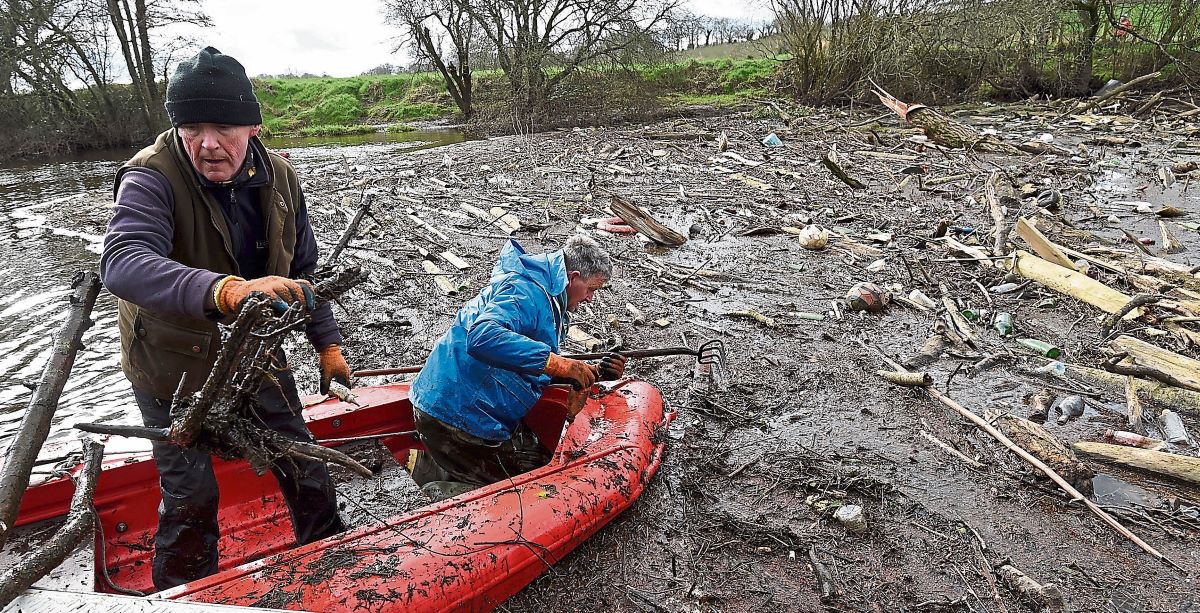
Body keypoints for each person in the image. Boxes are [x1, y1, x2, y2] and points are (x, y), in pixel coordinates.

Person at [100, 47, 348, 590]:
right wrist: (225, 290)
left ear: (253, 126)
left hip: (255, 356)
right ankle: (183, 595)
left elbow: (304, 270)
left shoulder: (281, 176)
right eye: (193, 127)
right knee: (191, 493)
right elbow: (122, 262)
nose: (208, 144)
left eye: (224, 128)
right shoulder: (150, 177)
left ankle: (333, 558)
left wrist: (326, 342)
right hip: (170, 366)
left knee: (303, 461)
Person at [409, 235, 626, 493]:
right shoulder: (525, 290)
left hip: (465, 399)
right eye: (591, 289)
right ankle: (437, 481)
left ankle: (443, 464)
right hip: (453, 414)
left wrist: (591, 373)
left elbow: (525, 360)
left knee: (536, 452)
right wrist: (560, 365)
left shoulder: (550, 295)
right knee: (539, 482)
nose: (590, 298)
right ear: (573, 276)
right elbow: (482, 337)